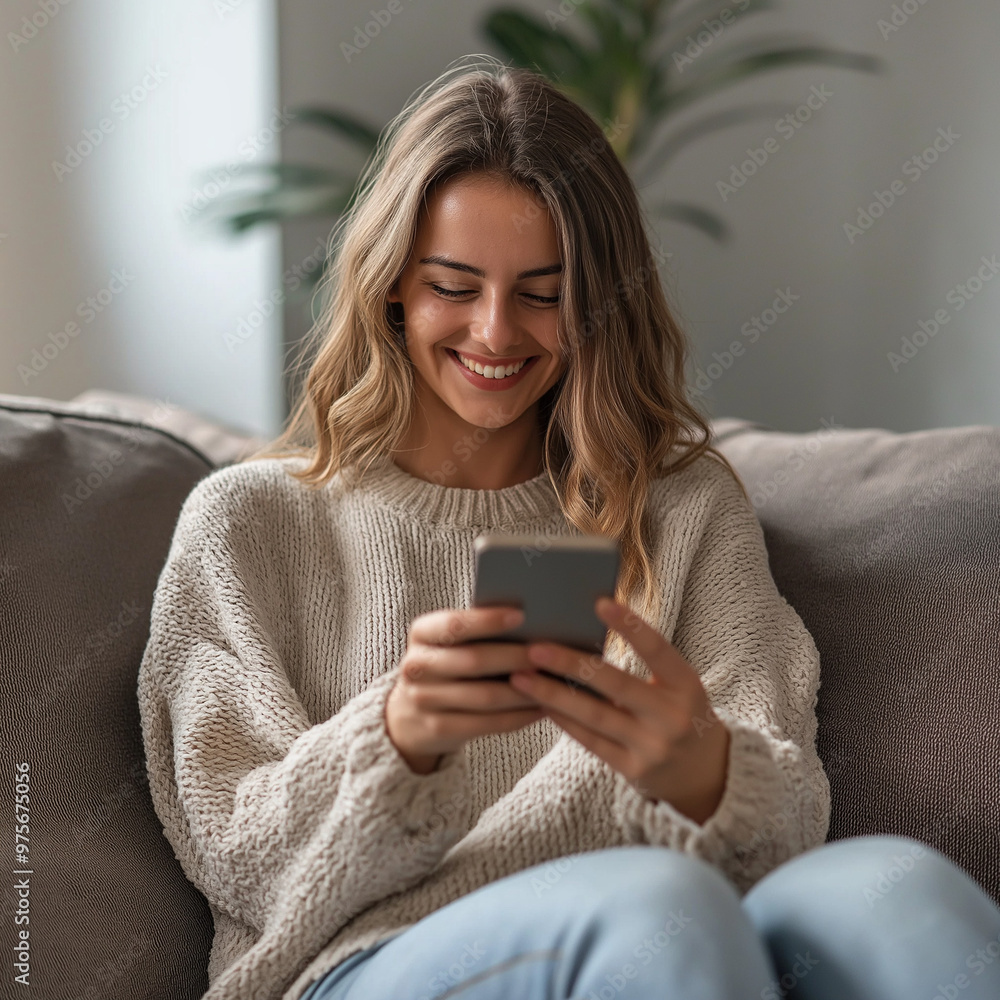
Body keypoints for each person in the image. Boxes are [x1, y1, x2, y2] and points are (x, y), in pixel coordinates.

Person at [137, 56, 1000, 1000]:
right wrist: (396, 739)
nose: (496, 333)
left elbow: (789, 823)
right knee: (659, 906)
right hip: (369, 961)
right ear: (392, 285)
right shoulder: (251, 524)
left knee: (894, 886)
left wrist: (705, 773)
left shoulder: (685, 510)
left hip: (683, 932)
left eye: (544, 294)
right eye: (453, 286)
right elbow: (233, 849)